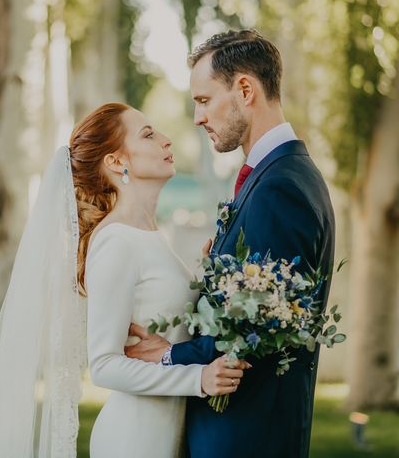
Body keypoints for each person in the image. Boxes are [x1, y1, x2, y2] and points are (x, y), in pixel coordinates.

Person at [0, 102, 247, 458]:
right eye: (149, 134)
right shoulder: (116, 241)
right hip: (136, 440)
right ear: (116, 161)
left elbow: (168, 324)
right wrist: (198, 379)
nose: (166, 141)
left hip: (171, 430)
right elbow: (105, 365)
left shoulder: (148, 234)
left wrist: (208, 277)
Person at [125, 29, 336, 458]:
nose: (198, 117)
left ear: (244, 89)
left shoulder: (281, 187)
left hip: (248, 437)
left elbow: (258, 329)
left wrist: (167, 356)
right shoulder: (274, 176)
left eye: (203, 100)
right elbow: (255, 304)